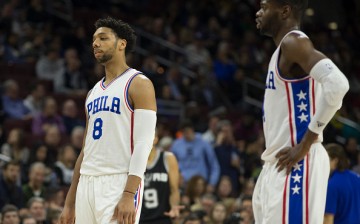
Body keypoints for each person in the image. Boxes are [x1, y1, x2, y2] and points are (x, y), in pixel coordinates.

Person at [252, 0, 349, 223]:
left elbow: (338, 84)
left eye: (265, 7)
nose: (258, 12)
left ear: (285, 10)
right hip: (277, 164)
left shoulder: (294, 41)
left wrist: (305, 144)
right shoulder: (282, 51)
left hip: (297, 163)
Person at [59, 17, 157, 224]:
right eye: (94, 39)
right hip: (86, 182)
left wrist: (129, 193)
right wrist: (70, 201)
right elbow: (86, 149)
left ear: (122, 44)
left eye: (103, 38)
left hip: (118, 181)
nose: (95, 43)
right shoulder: (92, 92)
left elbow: (143, 145)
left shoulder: (138, 83)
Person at [139, 131, 183, 224]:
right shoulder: (133, 161)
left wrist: (174, 206)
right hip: (139, 218)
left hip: (162, 217)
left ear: (156, 139)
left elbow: (174, 190)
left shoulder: (168, 158)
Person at [324, 143, 360, 224]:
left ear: (335, 160)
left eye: (325, 159)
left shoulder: (332, 185)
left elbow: (328, 220)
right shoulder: (357, 178)